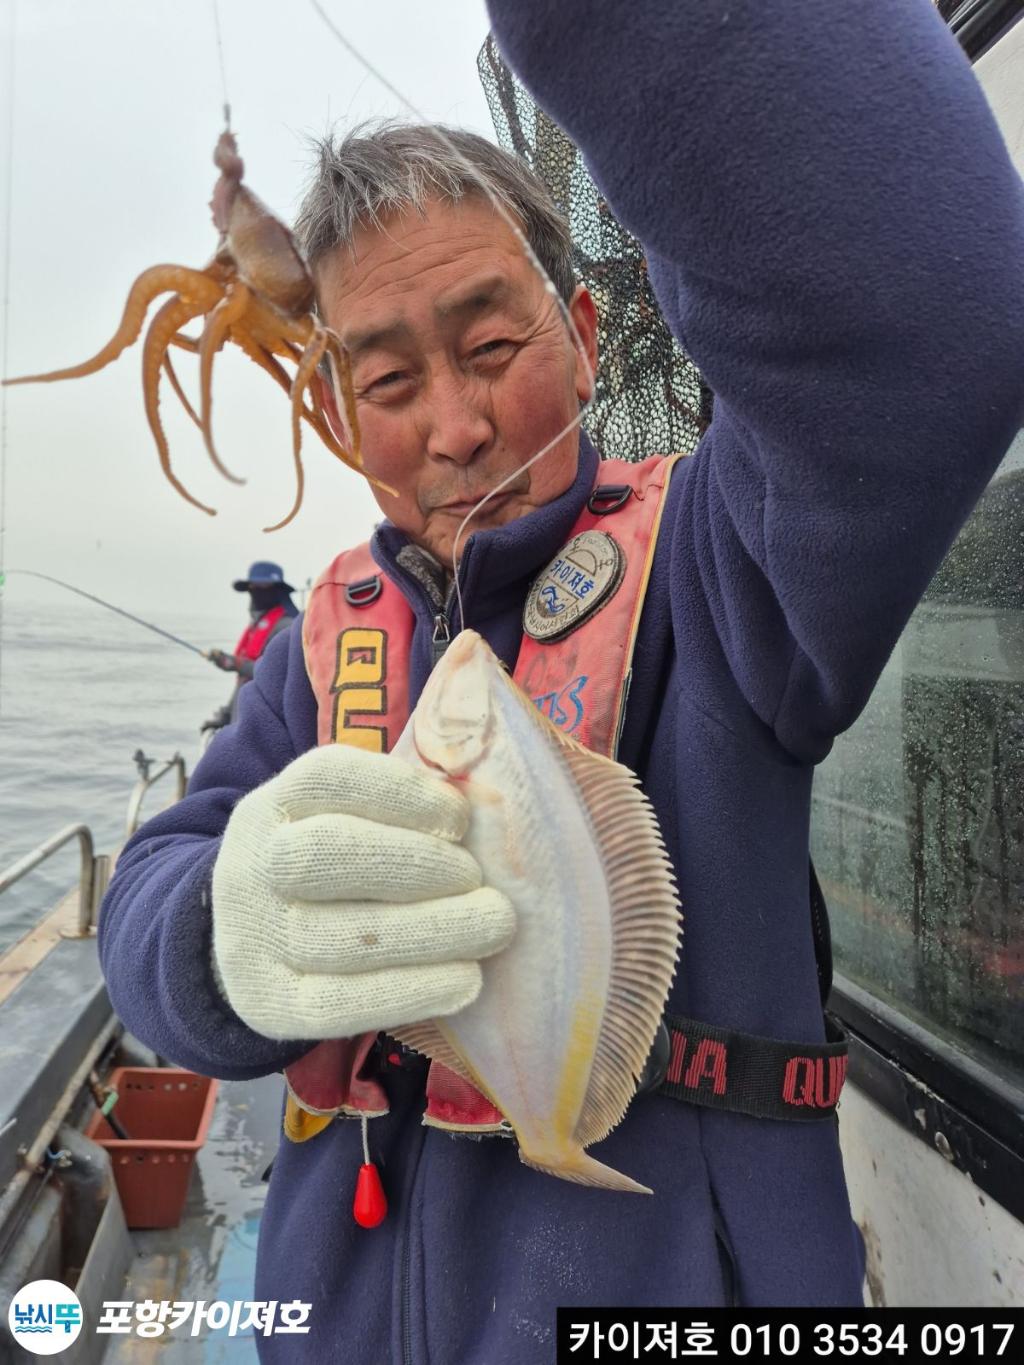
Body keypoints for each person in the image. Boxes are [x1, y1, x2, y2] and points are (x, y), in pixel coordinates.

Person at [97, 0, 1024, 1356]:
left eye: (490, 349)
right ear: (343, 409)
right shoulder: (321, 650)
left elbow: (924, 312)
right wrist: (211, 935)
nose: (457, 428)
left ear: (587, 334)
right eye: (391, 380)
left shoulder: (725, 567)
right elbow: (154, 900)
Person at [201, 561, 298, 733]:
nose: (255, 591)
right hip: (244, 719)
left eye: (263, 586)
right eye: (252, 586)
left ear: (277, 590)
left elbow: (274, 673)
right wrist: (226, 715)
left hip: (263, 725)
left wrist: (236, 664)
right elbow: (245, 682)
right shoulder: (259, 623)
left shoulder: (287, 627)